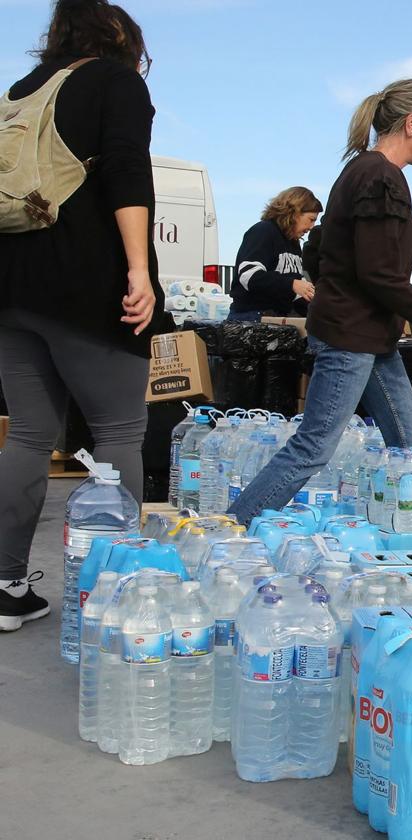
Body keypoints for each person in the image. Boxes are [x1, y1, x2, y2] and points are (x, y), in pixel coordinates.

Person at [228, 79, 412, 525]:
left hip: (370, 336)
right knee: (313, 447)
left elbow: (318, 251)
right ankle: (229, 527)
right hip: (353, 338)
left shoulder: (360, 171)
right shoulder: (380, 178)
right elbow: (377, 272)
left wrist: (339, 293)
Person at [0, 0, 162, 631]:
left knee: (32, 436)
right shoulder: (115, 82)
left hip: (12, 288)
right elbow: (127, 172)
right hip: (86, 285)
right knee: (119, 430)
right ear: (120, 37)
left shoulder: (23, 90)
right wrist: (139, 271)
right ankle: (114, 599)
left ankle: (6, 587)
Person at [229, 187, 321, 320]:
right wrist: (291, 284)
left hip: (278, 317)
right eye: (311, 219)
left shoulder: (294, 243)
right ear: (294, 213)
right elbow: (248, 276)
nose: (312, 226)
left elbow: (297, 289)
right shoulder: (262, 231)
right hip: (252, 316)